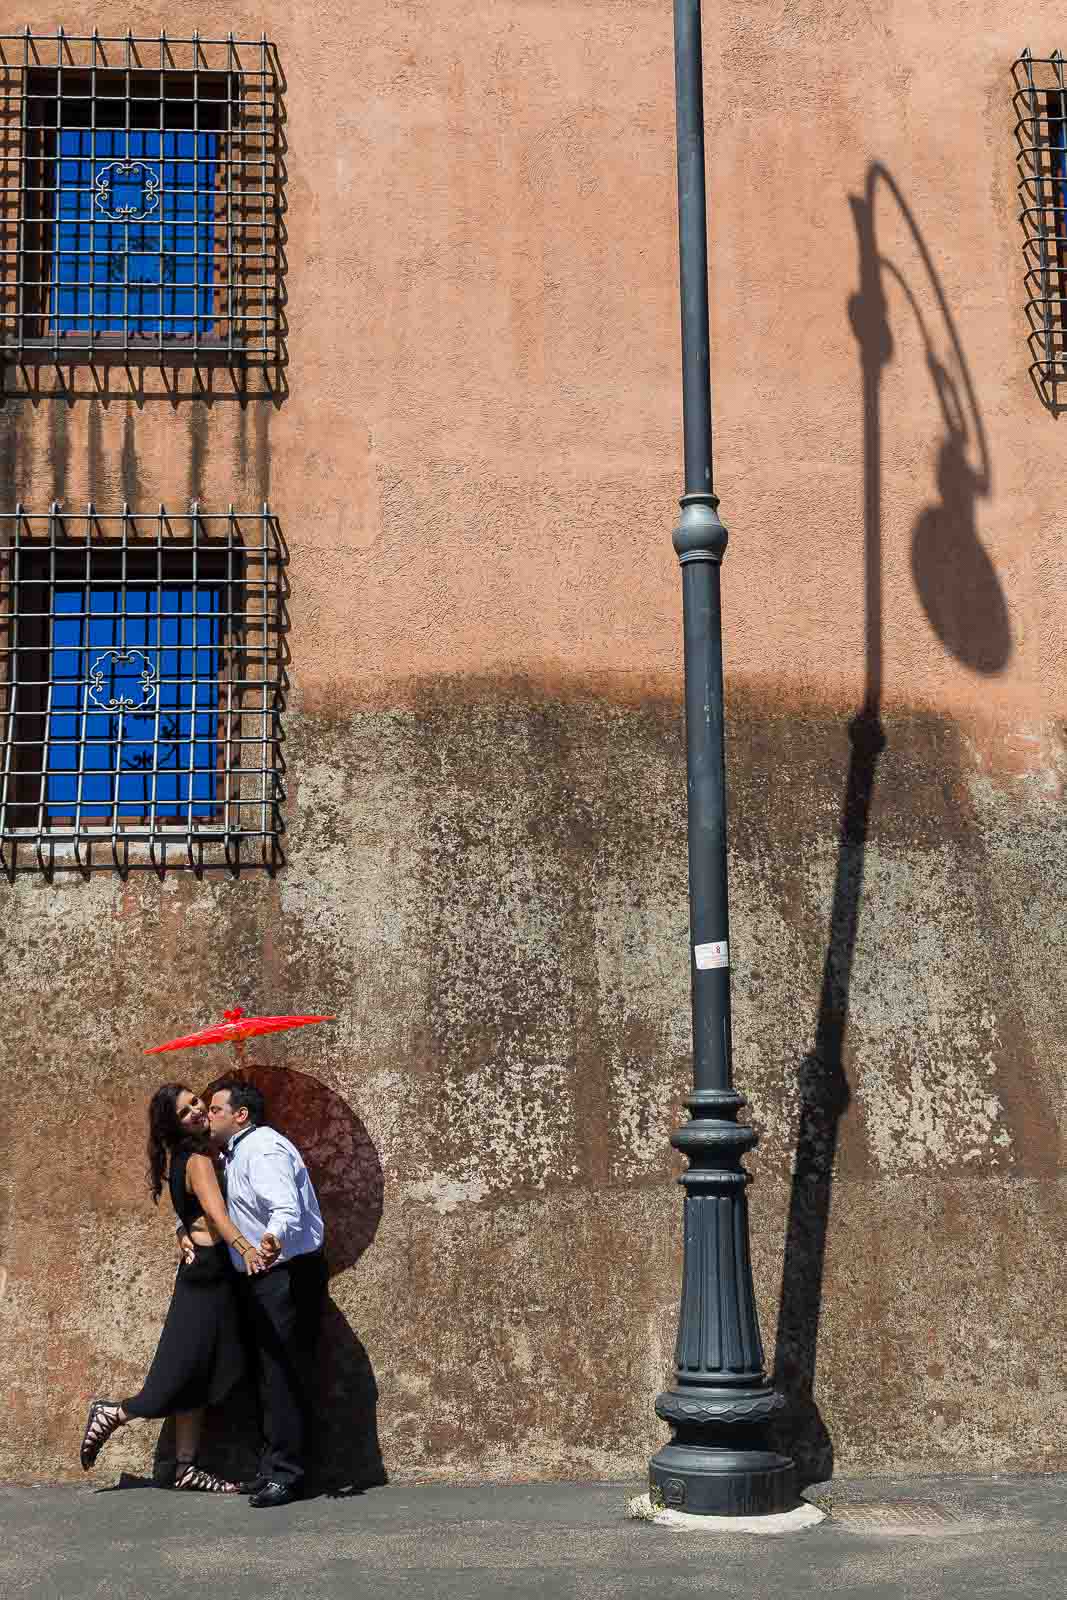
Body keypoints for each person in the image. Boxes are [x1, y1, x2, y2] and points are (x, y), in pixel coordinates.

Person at [79, 1084, 268, 1490]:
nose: (197, 1111)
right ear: (174, 1125)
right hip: (208, 1276)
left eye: (196, 1102)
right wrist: (246, 1248)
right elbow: (216, 1216)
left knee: (202, 1372)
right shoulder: (198, 1159)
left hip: (212, 1274)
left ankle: (186, 1468)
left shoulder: (193, 1155)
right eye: (185, 1112)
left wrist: (182, 1228)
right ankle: (114, 1412)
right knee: (179, 1373)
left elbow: (191, 1211)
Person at [205, 1076, 328, 1509]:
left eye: (215, 1109)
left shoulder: (263, 1149)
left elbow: (286, 1207)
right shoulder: (237, 1152)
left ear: (241, 1115)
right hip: (261, 1275)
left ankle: (288, 1475)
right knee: (267, 1374)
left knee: (283, 1374)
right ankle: (274, 1467)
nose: (208, 1115)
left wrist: (273, 1238)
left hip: (285, 1274)